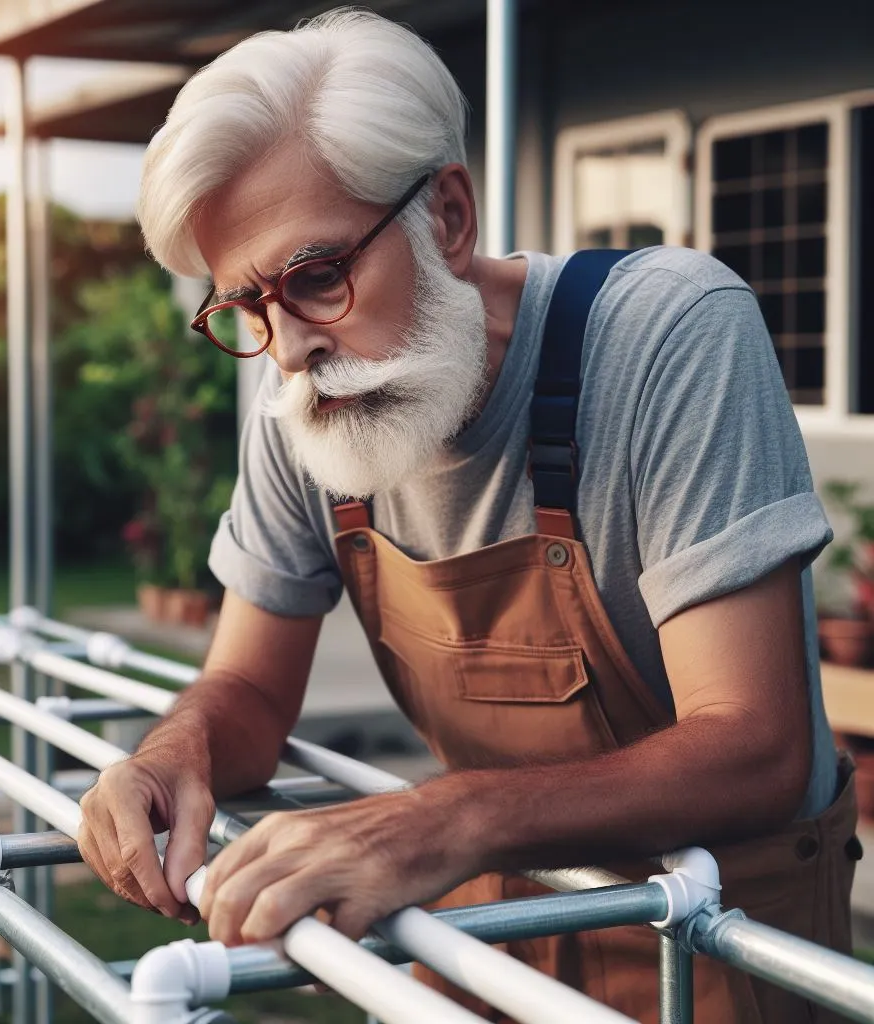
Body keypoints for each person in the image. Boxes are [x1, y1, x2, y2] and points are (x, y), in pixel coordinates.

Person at [76, 9, 858, 1022]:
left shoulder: (666, 334)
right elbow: (246, 691)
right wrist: (173, 748)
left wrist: (439, 815)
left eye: (315, 277)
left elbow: (756, 746)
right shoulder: (306, 406)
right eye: (245, 307)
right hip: (484, 930)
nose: (285, 350)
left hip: (717, 941)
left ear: (446, 215)